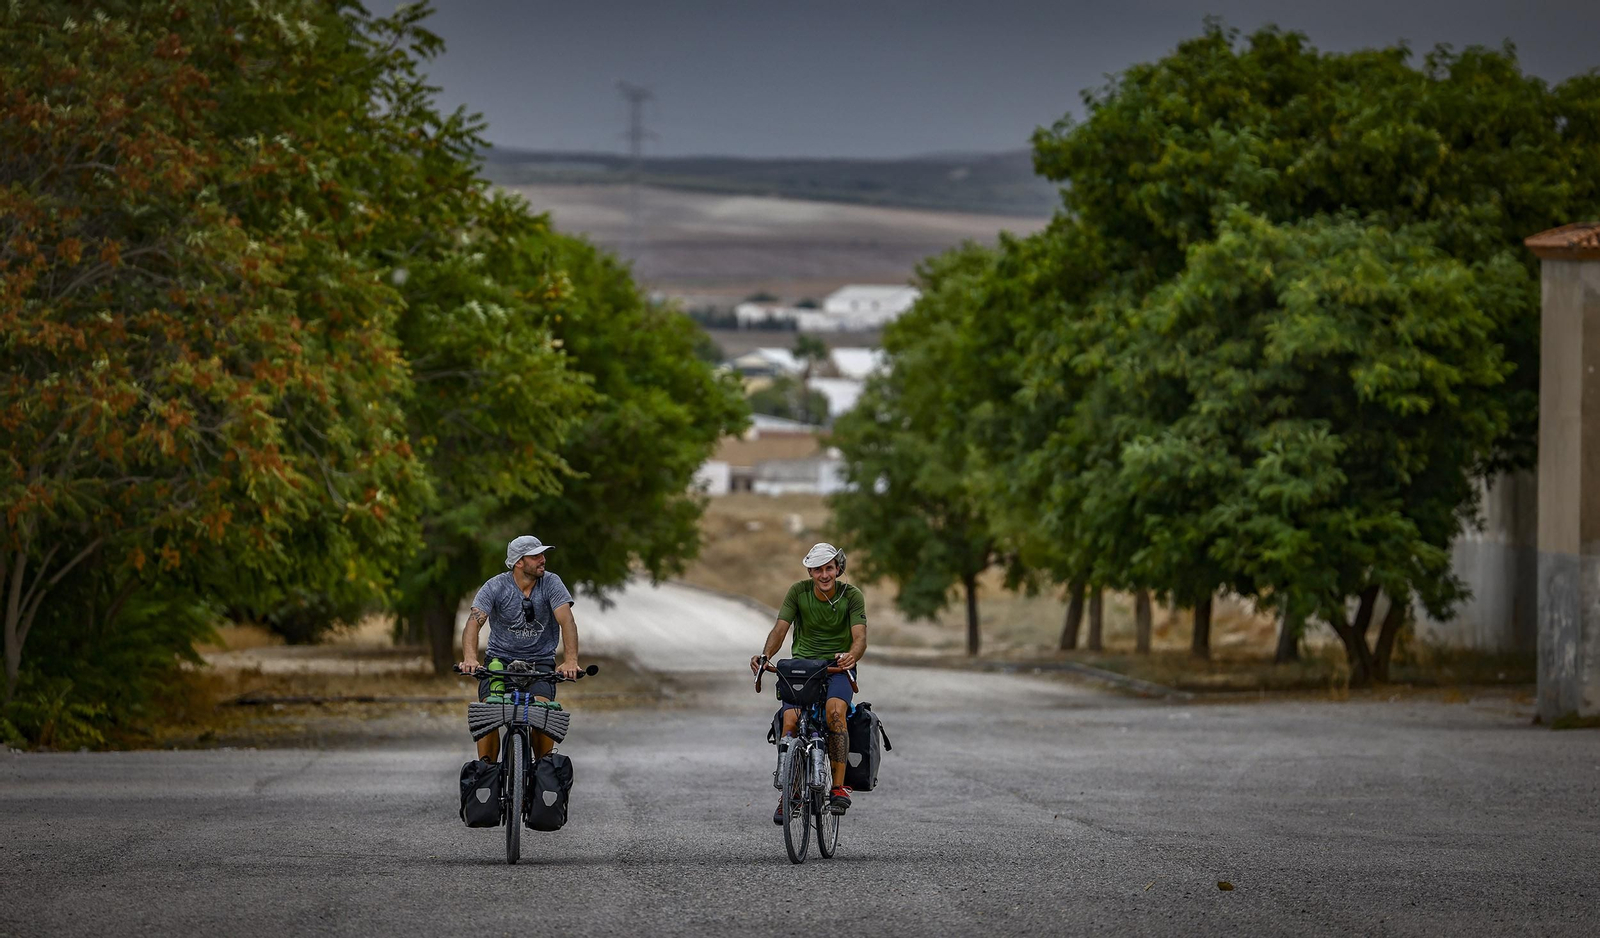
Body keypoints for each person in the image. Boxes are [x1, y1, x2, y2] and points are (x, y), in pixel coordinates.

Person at [749, 542, 867, 824]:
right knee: (790, 720)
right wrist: (766, 656)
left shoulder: (852, 596)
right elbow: (780, 629)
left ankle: (838, 788)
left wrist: (851, 655)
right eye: (817, 570)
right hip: (802, 669)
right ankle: (789, 793)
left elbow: (860, 637)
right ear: (810, 572)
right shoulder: (798, 592)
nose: (824, 575)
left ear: (838, 569)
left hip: (837, 667)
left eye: (829, 568)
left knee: (835, 713)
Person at [458, 535, 581, 763]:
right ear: (519, 562)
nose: (543, 559)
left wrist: (571, 661)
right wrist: (470, 658)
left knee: (542, 711)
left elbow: (567, 621)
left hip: (540, 663)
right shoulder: (495, 586)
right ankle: (486, 771)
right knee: (488, 712)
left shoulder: (552, 583)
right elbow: (473, 623)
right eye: (535, 556)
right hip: (499, 663)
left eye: (542, 554)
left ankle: (544, 767)